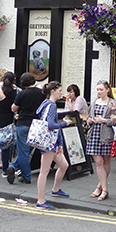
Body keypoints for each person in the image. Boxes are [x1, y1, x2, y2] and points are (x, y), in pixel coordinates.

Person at [36, 81, 73, 210]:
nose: (61, 93)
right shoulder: (51, 105)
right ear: (53, 91)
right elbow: (51, 125)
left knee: (64, 165)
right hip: (48, 143)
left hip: (52, 142)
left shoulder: (46, 104)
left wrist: (60, 143)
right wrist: (65, 123)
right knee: (44, 171)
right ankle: (41, 201)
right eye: (59, 90)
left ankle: (55, 189)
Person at [7, 72, 45, 185]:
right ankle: (14, 167)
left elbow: (14, 109)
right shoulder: (41, 93)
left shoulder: (22, 93)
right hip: (36, 125)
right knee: (28, 150)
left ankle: (26, 175)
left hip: (23, 123)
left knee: (23, 151)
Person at [86, 80, 116, 201]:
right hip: (94, 134)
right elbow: (89, 116)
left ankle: (100, 187)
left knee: (106, 161)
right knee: (98, 162)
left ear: (107, 90)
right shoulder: (94, 102)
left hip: (106, 135)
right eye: (98, 89)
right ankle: (105, 189)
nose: (99, 92)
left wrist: (104, 120)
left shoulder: (112, 103)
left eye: (101, 89)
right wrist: (90, 120)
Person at [0, 71, 17, 176]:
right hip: (14, 119)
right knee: (16, 144)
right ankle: (15, 166)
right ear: (13, 81)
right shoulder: (18, 91)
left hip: (3, 120)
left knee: (4, 145)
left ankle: (5, 168)